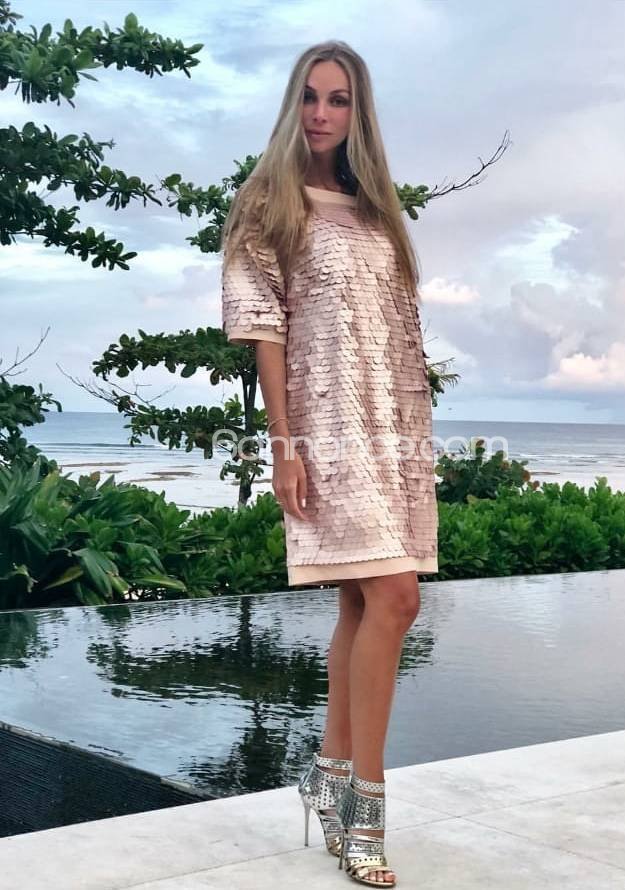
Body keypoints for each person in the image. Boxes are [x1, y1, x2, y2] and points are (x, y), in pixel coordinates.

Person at [221, 40, 438, 887]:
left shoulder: (378, 208)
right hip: (324, 428)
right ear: (293, 104)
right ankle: (364, 812)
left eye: (338, 99)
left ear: (358, 111)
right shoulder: (266, 201)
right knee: (396, 597)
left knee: (362, 599)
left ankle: (327, 775)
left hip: (389, 428)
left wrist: (411, 440)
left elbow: (398, 333)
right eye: (310, 97)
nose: (320, 113)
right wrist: (285, 446)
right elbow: (263, 329)